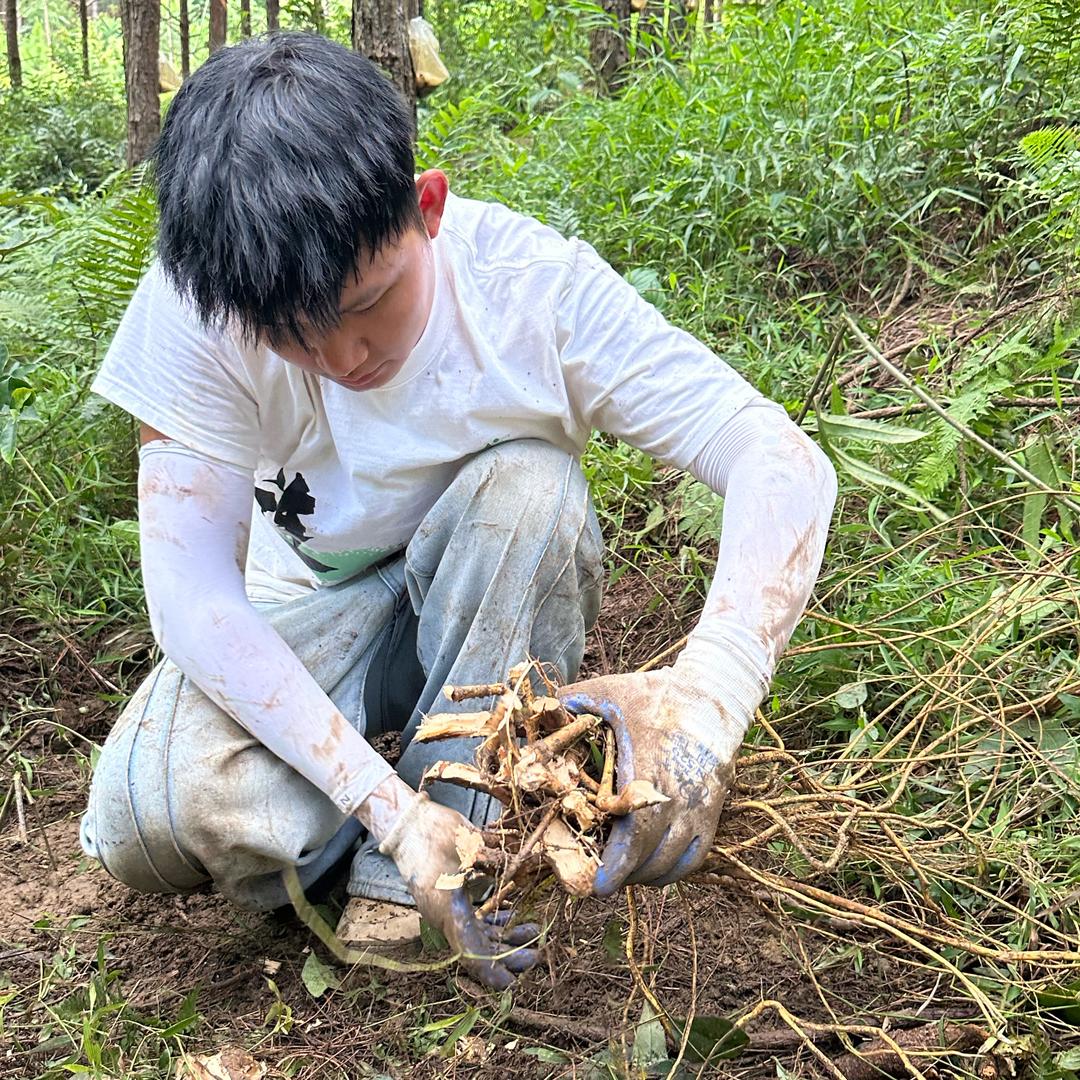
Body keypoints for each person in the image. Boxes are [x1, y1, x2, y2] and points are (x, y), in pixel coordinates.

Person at [80, 31, 837, 990]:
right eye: (293, 338)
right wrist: (382, 806)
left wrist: (710, 700)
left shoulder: (532, 291)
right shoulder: (206, 300)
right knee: (147, 821)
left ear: (426, 207)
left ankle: (464, 833)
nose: (344, 359)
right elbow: (192, 600)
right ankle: (397, 827)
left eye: (370, 304)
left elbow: (779, 458)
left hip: (484, 588)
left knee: (531, 487)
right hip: (312, 615)